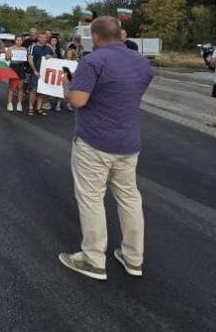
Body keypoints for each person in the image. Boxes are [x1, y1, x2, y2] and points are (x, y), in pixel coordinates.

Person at [58, 16, 154, 281]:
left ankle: (93, 259)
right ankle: (134, 258)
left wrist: (68, 85)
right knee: (130, 199)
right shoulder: (142, 63)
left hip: (95, 142)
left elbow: (78, 100)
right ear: (121, 35)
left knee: (91, 198)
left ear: (96, 37)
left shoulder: (93, 61)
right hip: (129, 142)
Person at [27, 32, 54, 116]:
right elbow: (30, 59)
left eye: (44, 37)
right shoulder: (32, 47)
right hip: (36, 72)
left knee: (42, 91)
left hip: (45, 73)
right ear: (38, 38)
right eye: (41, 37)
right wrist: (34, 70)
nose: (42, 39)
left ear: (47, 38)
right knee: (33, 90)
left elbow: (55, 58)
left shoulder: (50, 47)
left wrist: (51, 56)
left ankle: (38, 107)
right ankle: (30, 107)